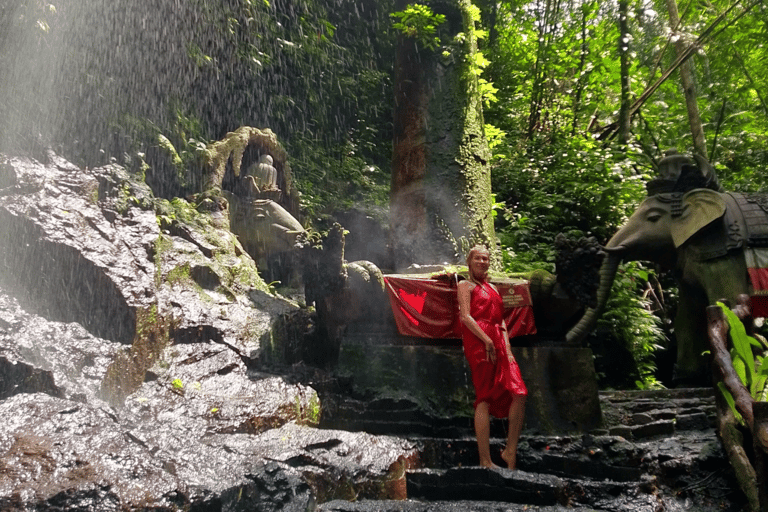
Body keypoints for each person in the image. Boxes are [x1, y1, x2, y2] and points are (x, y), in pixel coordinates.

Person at [457, 245, 527, 469]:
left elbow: (503, 321)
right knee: (484, 396)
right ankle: (485, 459)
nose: (482, 262)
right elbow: (466, 316)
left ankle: (510, 451)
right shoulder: (464, 285)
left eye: (485, 259)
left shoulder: (494, 289)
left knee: (519, 392)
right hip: (479, 341)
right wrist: (486, 340)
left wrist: (506, 348)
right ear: (470, 261)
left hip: (498, 340)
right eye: (478, 258)